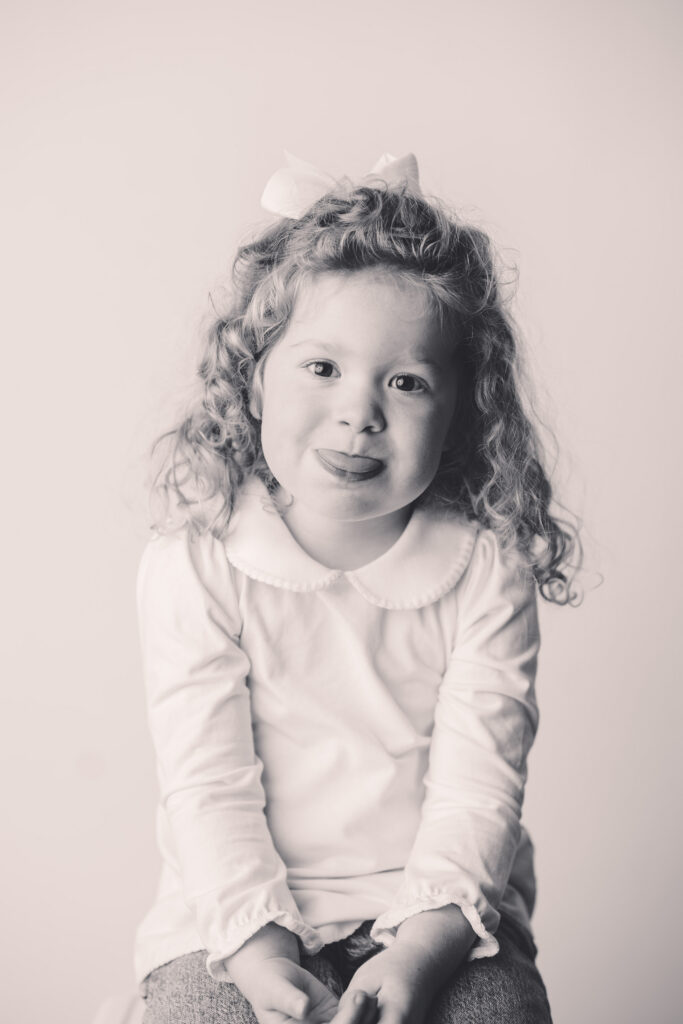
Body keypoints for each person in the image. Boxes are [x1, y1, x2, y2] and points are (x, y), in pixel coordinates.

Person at [135, 153, 579, 1024]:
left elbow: (476, 793)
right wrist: (260, 959)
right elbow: (207, 787)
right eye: (321, 368)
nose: (359, 412)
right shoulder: (197, 562)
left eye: (406, 382)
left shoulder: (484, 570)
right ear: (254, 377)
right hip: (232, 916)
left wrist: (417, 950)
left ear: (463, 414)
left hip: (437, 916)